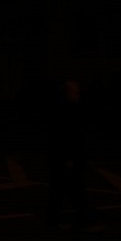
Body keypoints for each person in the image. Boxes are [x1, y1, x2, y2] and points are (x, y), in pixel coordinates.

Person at [45, 80, 100, 231]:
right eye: (75, 92)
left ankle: (55, 221)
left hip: (65, 157)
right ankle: (82, 221)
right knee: (75, 190)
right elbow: (67, 136)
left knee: (61, 190)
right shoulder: (67, 111)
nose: (78, 95)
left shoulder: (62, 110)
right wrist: (69, 157)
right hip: (68, 158)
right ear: (67, 94)